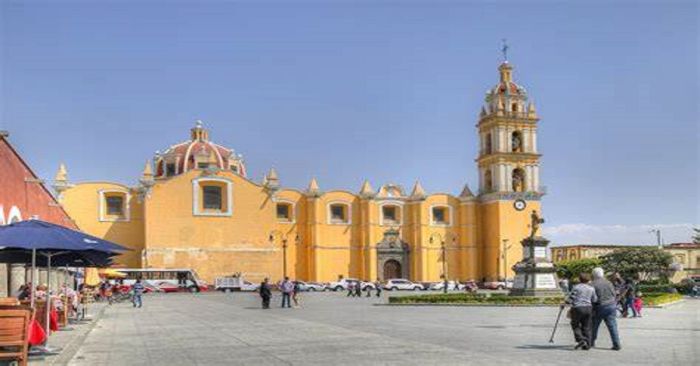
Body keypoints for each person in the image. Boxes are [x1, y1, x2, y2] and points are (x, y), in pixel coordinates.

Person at [564, 273, 597, 350]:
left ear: (579, 279)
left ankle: (581, 339)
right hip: (588, 308)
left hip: (577, 308)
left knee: (575, 324)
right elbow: (595, 299)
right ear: (588, 280)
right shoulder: (591, 288)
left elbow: (570, 298)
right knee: (587, 326)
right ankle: (587, 344)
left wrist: (565, 304)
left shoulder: (576, 288)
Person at [591, 267, 621, 350]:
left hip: (599, 307)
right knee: (612, 326)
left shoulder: (592, 284)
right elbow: (614, 294)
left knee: (594, 326)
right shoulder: (609, 283)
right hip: (611, 306)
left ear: (593, 275)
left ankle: (591, 342)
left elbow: (592, 298)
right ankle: (616, 344)